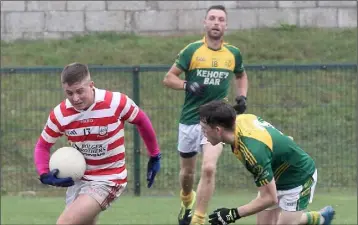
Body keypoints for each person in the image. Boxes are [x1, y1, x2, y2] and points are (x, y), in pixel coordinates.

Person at [34, 62, 161, 225]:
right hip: (80, 180)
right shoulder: (60, 114)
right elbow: (42, 146)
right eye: (69, 93)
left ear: (91, 85)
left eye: (80, 91)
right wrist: (45, 174)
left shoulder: (115, 102)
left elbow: (141, 120)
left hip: (109, 178)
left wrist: (155, 154)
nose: (75, 98)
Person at [162, 4, 249, 225]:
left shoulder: (233, 53)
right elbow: (168, 78)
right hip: (190, 120)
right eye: (212, 18)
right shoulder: (192, 50)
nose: (216, 23)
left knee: (209, 167)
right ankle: (186, 200)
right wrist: (186, 84)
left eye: (221, 19)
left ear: (226, 25)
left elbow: (241, 75)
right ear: (205, 22)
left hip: (218, 121)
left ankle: (198, 219)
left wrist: (242, 97)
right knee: (187, 175)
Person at [198, 100, 335, 225]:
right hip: (274, 178)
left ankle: (319, 218)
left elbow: (269, 198)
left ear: (218, 130)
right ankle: (319, 217)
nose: (203, 133)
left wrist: (232, 214)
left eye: (204, 129)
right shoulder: (243, 119)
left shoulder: (253, 152)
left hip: (298, 180)